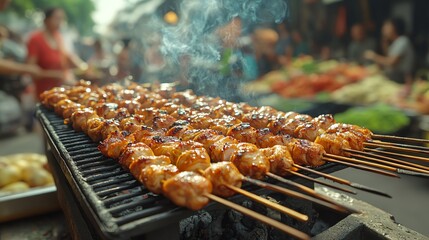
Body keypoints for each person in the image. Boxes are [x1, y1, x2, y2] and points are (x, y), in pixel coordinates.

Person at [26, 7, 86, 99]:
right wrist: (55, 75)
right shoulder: (35, 39)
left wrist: (83, 67)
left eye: (62, 19)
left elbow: (67, 56)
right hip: (43, 93)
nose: (60, 22)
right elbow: (30, 70)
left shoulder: (58, 37)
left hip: (60, 91)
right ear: (46, 20)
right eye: (57, 18)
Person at [365, 18, 414, 95]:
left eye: (387, 26)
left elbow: (391, 62)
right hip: (393, 81)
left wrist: (374, 56)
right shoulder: (394, 43)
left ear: (395, 28)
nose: (383, 29)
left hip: (401, 84)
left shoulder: (402, 41)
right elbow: (387, 60)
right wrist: (384, 43)